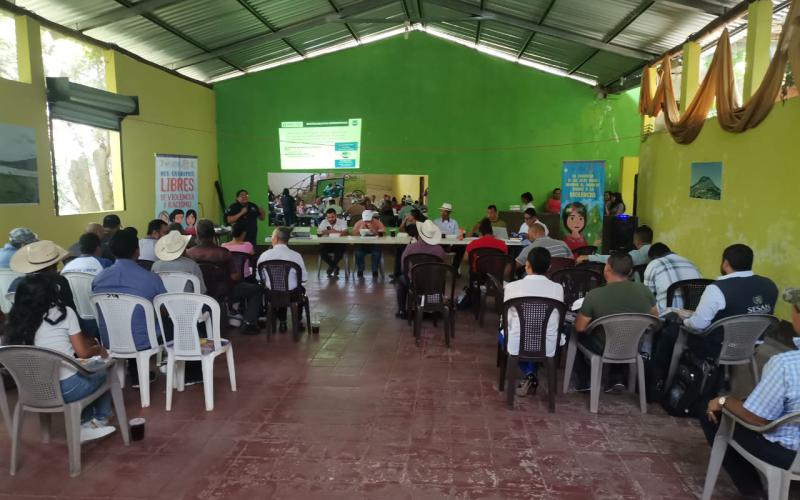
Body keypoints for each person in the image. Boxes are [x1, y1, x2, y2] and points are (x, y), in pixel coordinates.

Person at [700, 294, 800, 497]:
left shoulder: (786, 364)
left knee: (712, 415)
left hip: (790, 455)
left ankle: (754, 492)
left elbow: (757, 418)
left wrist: (722, 401)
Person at [4, 274, 117, 442]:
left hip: (30, 392)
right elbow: (83, 353)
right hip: (66, 389)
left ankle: (86, 423)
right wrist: (98, 349)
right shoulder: (63, 313)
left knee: (81, 372)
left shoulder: (15, 322)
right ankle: (97, 420)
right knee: (103, 370)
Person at [571, 252, 658, 390]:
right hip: (634, 346)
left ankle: (585, 380)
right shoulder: (644, 290)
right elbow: (654, 319)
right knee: (624, 334)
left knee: (573, 332)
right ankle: (617, 378)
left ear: (607, 268)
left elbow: (580, 327)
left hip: (604, 347)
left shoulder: (595, 295)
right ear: (630, 271)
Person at [679, 244, 778, 359]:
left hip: (719, 348)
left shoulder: (717, 289)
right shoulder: (770, 285)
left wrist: (685, 320)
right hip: (752, 346)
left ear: (725, 263)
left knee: (672, 331)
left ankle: (664, 374)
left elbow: (698, 325)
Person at [92, 229, 168, 367]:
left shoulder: (98, 279)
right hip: (143, 340)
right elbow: (165, 311)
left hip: (110, 339)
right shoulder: (151, 278)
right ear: (137, 251)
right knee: (170, 322)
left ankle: (133, 369)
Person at [500, 247, 565, 396]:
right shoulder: (558, 289)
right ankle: (531, 373)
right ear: (549, 267)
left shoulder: (511, 287)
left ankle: (529, 374)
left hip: (518, 342)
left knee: (503, 334)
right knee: (536, 337)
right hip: (548, 345)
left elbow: (508, 319)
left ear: (527, 265)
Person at [188, 220, 263, 334]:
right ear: (214, 234)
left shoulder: (189, 253)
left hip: (198, 293)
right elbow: (234, 277)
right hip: (224, 292)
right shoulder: (223, 253)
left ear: (197, 234)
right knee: (257, 289)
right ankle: (248, 322)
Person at [256, 227, 308, 332]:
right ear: (287, 240)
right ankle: (297, 321)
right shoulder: (296, 256)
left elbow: (259, 278)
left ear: (275, 238)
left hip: (271, 295)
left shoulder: (264, 255)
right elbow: (304, 279)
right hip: (292, 295)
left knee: (278, 288)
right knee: (299, 290)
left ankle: (283, 322)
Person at [395, 221, 447, 318]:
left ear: (419, 234)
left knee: (401, 280)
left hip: (414, 284)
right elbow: (443, 269)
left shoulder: (410, 248)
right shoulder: (440, 250)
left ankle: (401, 310)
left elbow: (403, 268)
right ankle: (436, 307)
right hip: (434, 285)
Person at [9, 240, 76, 312]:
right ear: (54, 267)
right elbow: (71, 309)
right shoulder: (60, 281)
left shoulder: (16, 283)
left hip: (24, 322)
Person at [642, 242, 702, 312]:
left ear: (654, 257)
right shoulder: (692, 264)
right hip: (694, 315)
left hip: (668, 316)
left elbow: (647, 297)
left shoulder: (654, 264)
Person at [578, 225, 653, 266]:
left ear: (636, 240)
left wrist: (589, 257)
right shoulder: (659, 252)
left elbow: (613, 259)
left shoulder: (637, 255)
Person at [352, 210, 386, 278]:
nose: (367, 222)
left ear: (372, 218)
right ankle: (360, 270)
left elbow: (384, 234)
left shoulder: (377, 222)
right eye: (365, 221)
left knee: (376, 253)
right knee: (358, 253)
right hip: (362, 244)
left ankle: (375, 271)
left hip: (374, 244)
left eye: (369, 221)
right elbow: (353, 233)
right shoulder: (359, 222)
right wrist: (360, 230)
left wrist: (374, 231)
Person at [433, 202, 465, 270]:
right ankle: (437, 268)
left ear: (449, 213)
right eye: (442, 211)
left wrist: (451, 244)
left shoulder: (454, 222)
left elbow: (457, 235)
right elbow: (433, 234)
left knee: (462, 247)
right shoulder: (436, 222)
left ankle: (454, 269)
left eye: (444, 212)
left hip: (450, 245)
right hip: (439, 245)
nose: (442, 213)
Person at [317, 208, 348, 278]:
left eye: (332, 217)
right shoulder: (324, 222)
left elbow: (345, 232)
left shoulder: (342, 221)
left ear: (336, 216)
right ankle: (335, 267)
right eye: (329, 217)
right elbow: (319, 232)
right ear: (326, 217)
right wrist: (335, 232)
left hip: (339, 244)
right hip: (327, 244)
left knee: (339, 251)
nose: (330, 219)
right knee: (321, 251)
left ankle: (332, 267)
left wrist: (331, 231)